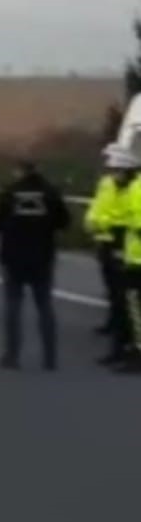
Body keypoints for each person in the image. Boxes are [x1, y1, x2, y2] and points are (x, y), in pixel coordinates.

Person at [0, 156, 70, 370]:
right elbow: (64, 222)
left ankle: (12, 356)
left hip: (13, 257)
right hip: (43, 257)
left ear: (19, 170)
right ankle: (50, 358)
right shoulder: (51, 192)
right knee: (45, 307)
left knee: (13, 307)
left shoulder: (9, 192)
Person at [85, 144, 135, 359]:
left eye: (115, 168)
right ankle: (118, 338)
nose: (111, 171)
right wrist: (94, 224)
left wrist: (112, 227)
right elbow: (98, 207)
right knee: (116, 294)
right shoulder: (108, 184)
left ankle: (127, 346)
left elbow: (132, 217)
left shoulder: (136, 189)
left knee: (126, 300)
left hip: (127, 246)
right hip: (109, 242)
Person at [114, 153, 141, 372]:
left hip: (137, 261)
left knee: (134, 310)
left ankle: (137, 354)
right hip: (134, 257)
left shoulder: (137, 189)